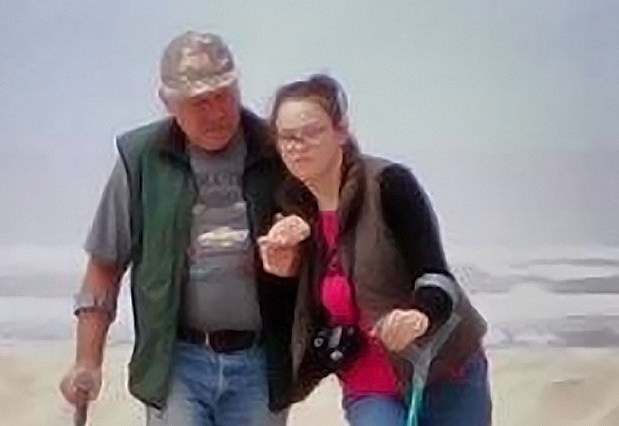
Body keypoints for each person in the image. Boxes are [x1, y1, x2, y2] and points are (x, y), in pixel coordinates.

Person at [58, 30, 299, 426]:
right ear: (168, 103)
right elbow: (105, 263)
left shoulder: (275, 150)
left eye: (223, 95)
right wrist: (87, 361)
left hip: (259, 362)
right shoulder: (141, 159)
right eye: (199, 102)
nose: (216, 112)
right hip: (178, 362)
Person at [256, 73, 493, 426]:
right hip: (368, 386)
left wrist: (419, 314)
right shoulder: (287, 211)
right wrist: (279, 275)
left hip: (442, 371)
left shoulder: (387, 184)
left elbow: (435, 275)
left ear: (340, 131)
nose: (298, 146)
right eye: (287, 137)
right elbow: (292, 324)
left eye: (312, 132)